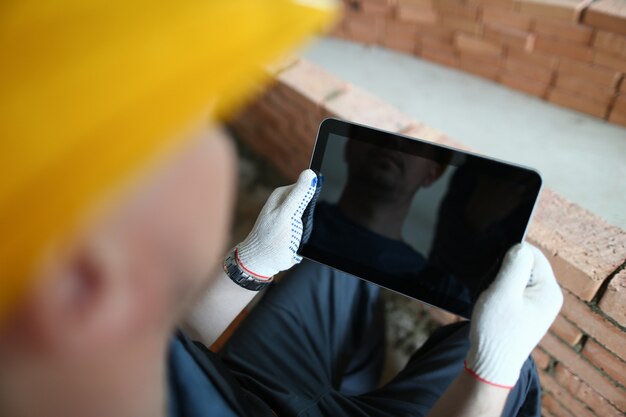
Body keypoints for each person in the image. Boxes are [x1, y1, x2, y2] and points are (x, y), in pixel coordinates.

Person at [0, 1, 564, 416]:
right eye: (196, 125)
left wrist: (249, 268)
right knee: (511, 370)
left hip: (243, 387)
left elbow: (179, 354)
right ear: (86, 280)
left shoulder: (67, 369)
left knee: (324, 259)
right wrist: (488, 374)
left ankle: (359, 369)